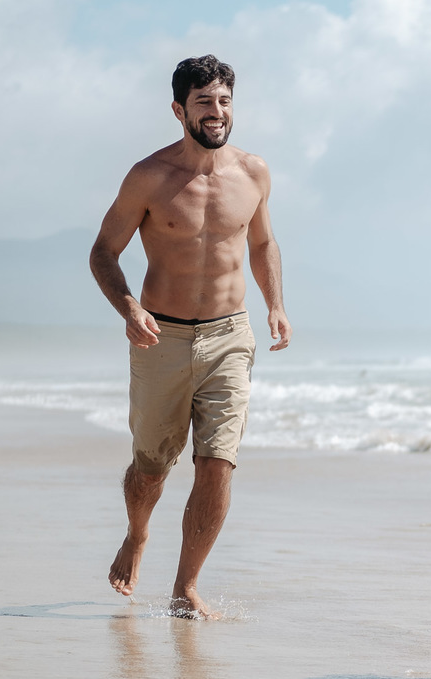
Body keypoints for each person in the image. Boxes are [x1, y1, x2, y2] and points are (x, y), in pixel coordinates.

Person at [89, 54, 292, 619]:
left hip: (232, 334)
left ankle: (186, 588)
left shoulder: (254, 173)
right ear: (179, 109)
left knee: (217, 462)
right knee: (150, 468)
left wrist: (275, 305)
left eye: (224, 101)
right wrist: (129, 308)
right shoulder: (149, 176)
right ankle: (137, 533)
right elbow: (103, 251)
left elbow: (262, 244)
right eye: (204, 102)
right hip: (162, 337)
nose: (217, 112)